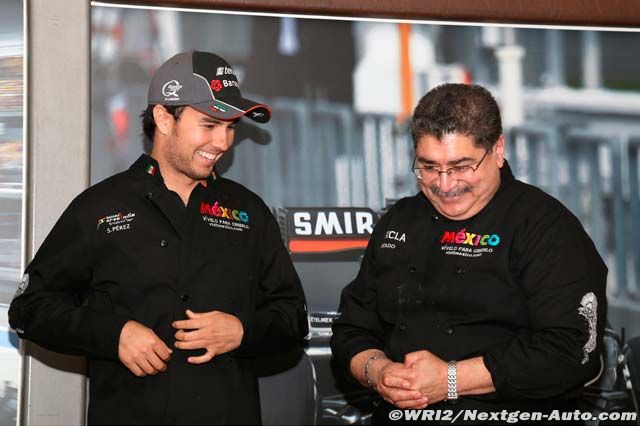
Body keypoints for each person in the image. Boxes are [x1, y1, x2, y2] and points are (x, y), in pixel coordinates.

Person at [9, 50, 308, 425]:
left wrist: (242, 331)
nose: (223, 141)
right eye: (209, 124)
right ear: (164, 118)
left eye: (231, 127)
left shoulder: (249, 211)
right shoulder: (101, 207)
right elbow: (29, 309)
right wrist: (114, 334)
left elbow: (293, 316)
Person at [331, 83, 607, 424]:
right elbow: (351, 330)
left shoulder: (545, 226)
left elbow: (570, 349)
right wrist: (380, 373)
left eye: (461, 167)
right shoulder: (398, 221)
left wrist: (449, 379)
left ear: (498, 150)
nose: (445, 184)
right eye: (429, 167)